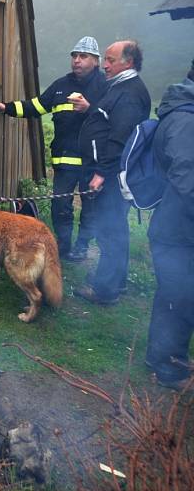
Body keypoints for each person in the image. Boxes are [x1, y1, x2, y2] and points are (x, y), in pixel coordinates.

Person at [0, 36, 107, 261]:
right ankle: (62, 248)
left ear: (96, 61)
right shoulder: (62, 85)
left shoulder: (105, 85)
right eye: (74, 56)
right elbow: (37, 106)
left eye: (83, 56)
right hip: (65, 160)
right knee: (60, 205)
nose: (77, 61)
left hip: (93, 161)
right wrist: (8, 107)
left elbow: (113, 118)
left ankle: (82, 246)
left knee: (90, 207)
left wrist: (90, 108)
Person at [74, 40, 150, 305]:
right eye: (105, 60)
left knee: (110, 230)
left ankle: (105, 291)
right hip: (109, 172)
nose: (105, 65)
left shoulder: (129, 92)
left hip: (112, 175)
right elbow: (106, 121)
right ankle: (115, 280)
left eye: (110, 60)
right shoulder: (119, 87)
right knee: (114, 229)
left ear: (127, 62)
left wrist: (102, 173)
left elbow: (120, 138)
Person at [144, 59, 194, 390]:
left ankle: (165, 358)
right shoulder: (185, 119)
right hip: (178, 231)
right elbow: (186, 175)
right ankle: (167, 365)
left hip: (178, 227)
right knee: (178, 296)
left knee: (176, 294)